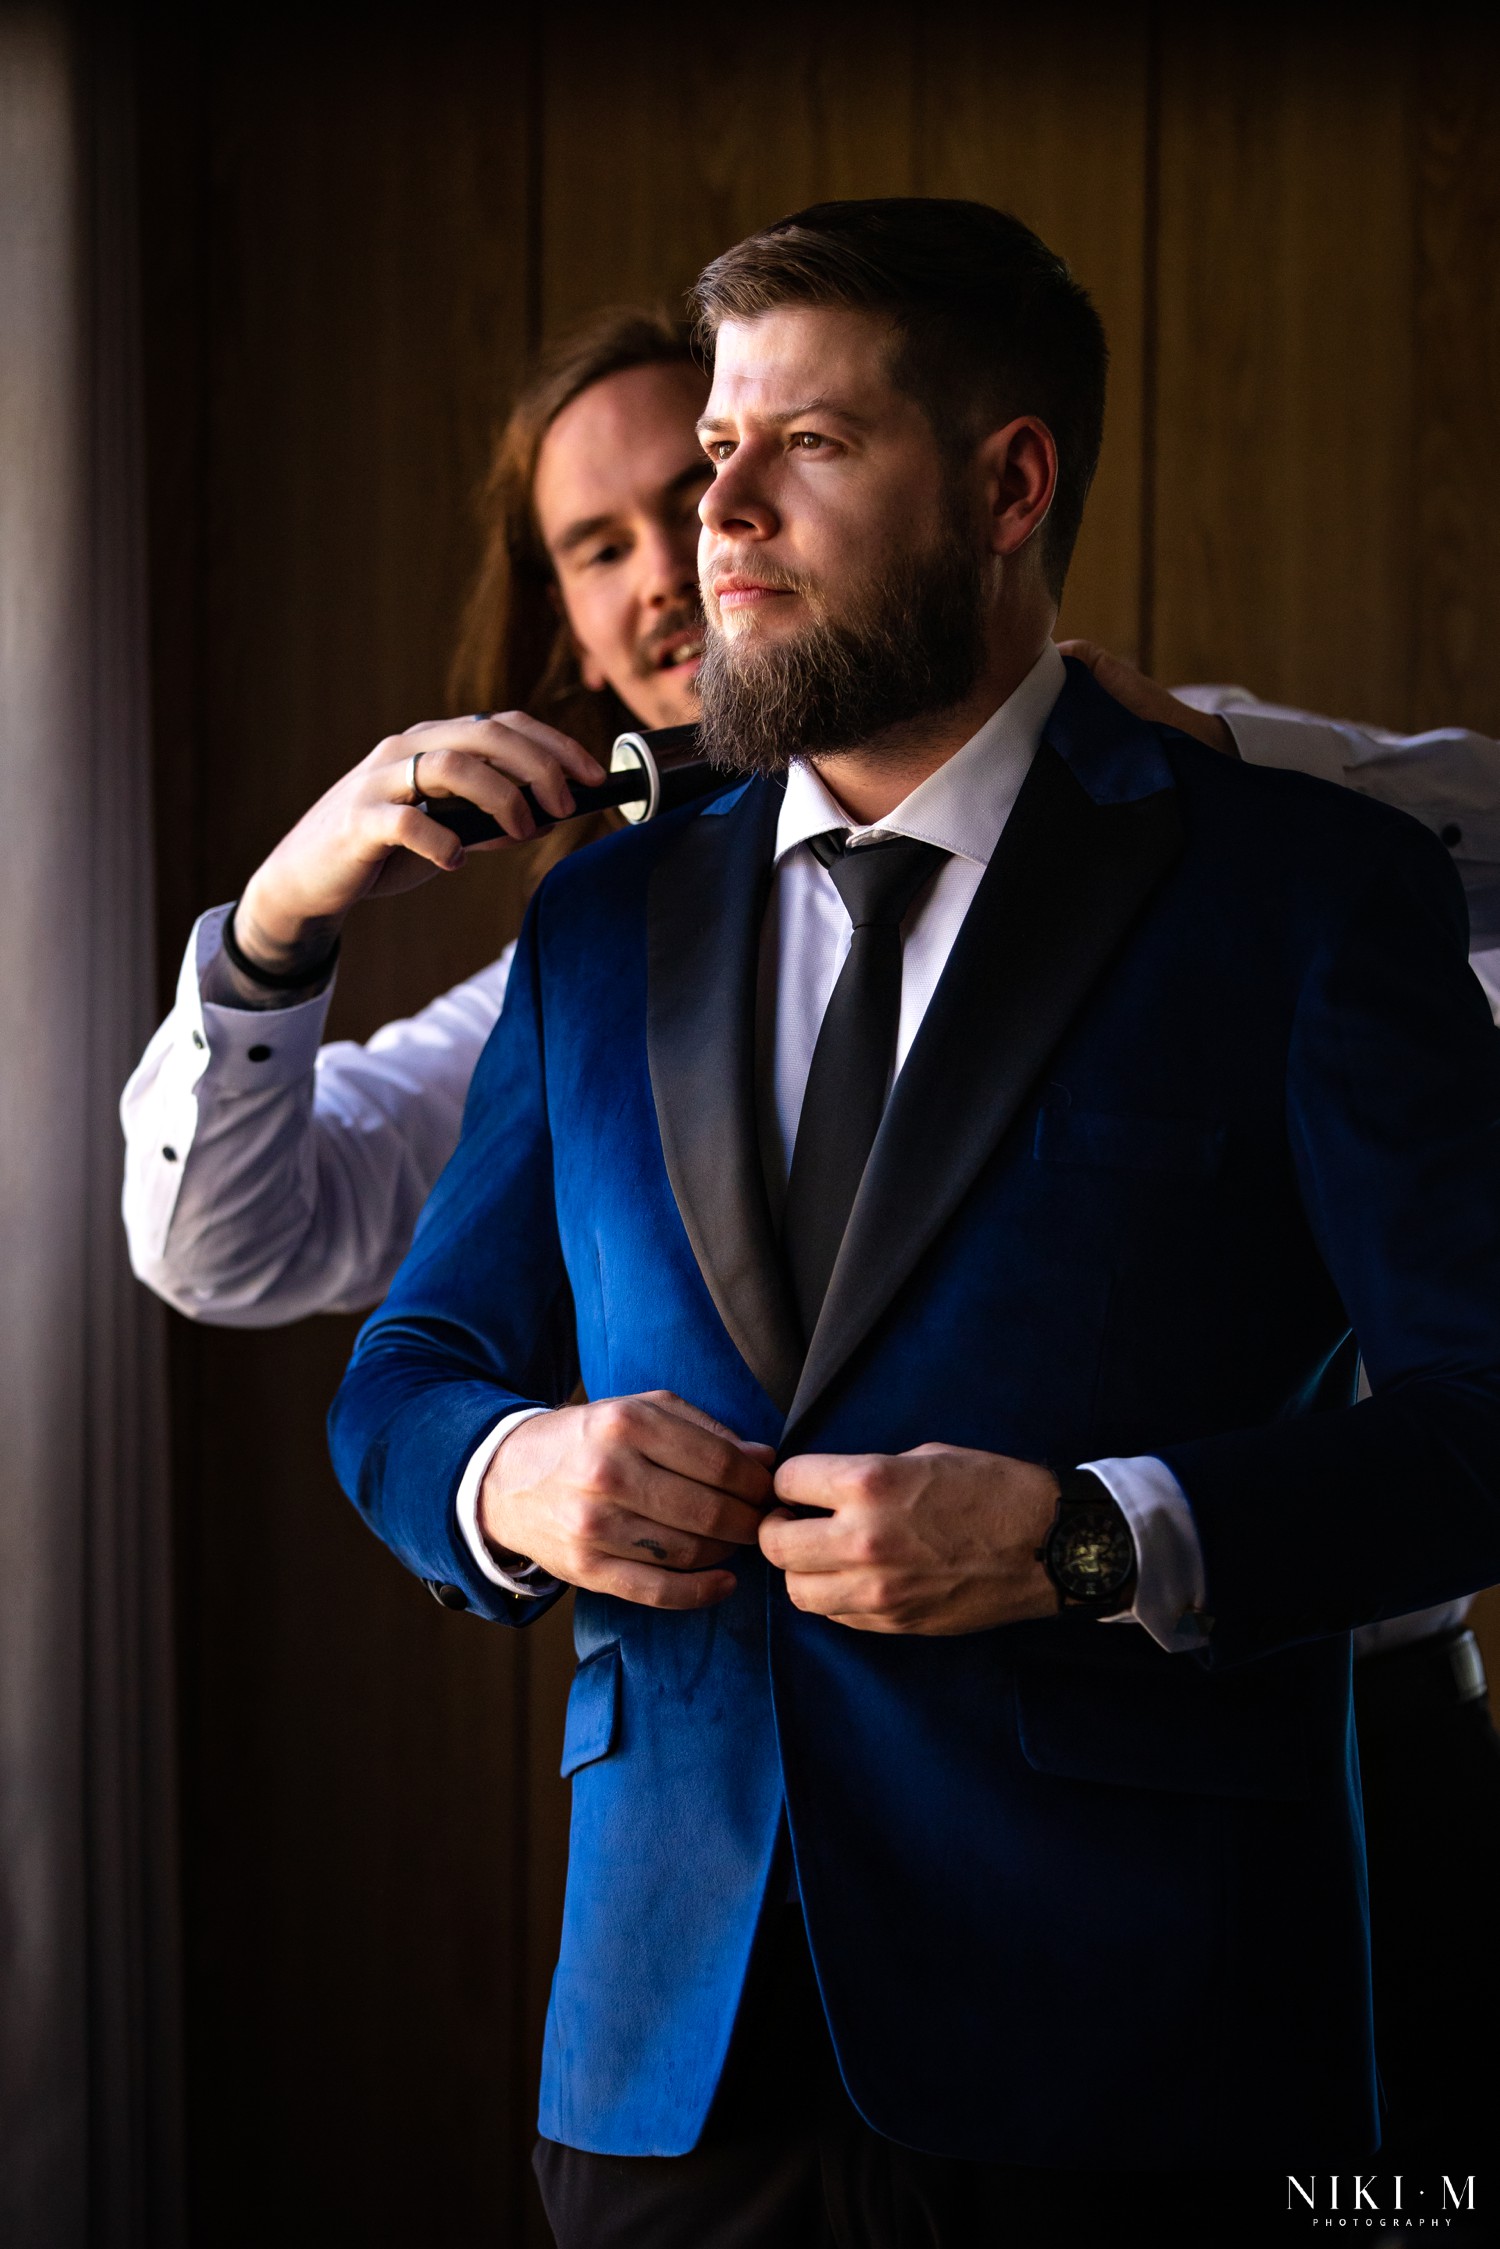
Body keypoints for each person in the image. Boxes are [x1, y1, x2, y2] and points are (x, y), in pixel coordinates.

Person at [327, 198, 1500, 2239]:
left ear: (1009, 482)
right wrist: (516, 1475)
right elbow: (407, 1377)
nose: (727, 513)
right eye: (715, 459)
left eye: (811, 447)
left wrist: (1088, 1534)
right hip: (668, 2077)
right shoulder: (601, 919)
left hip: (1150, 2071)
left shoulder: (1304, 896)